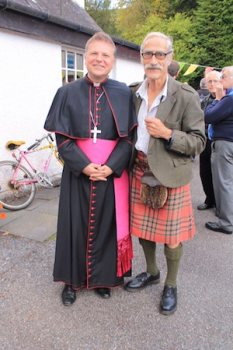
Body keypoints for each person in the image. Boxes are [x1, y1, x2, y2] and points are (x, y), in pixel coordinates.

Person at [44, 32, 137, 305]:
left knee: (108, 227)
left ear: (112, 61)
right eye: (95, 54)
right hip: (78, 173)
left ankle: (103, 279)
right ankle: (71, 282)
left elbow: (128, 138)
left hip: (111, 175)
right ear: (86, 57)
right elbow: (62, 139)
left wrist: (110, 167)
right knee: (74, 226)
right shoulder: (66, 92)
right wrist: (85, 167)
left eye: (106, 55)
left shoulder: (122, 93)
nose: (100, 59)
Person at [125, 32, 205, 315]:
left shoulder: (185, 96)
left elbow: (199, 141)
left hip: (169, 174)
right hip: (139, 169)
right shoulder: (132, 93)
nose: (154, 60)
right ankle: (152, 271)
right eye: (148, 54)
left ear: (170, 58)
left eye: (160, 54)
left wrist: (169, 135)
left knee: (172, 235)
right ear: (141, 57)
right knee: (142, 230)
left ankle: (171, 284)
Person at [205, 66, 233, 234]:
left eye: (224, 76)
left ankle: (226, 223)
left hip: (224, 144)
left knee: (224, 184)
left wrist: (217, 99)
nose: (220, 80)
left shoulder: (228, 99)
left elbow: (208, 117)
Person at [197, 71, 222, 211]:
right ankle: (209, 199)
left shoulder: (225, 98)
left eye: (215, 81)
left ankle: (220, 204)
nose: (212, 84)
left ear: (221, 81)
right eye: (209, 81)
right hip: (205, 139)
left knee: (219, 175)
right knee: (205, 172)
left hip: (219, 141)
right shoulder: (204, 99)